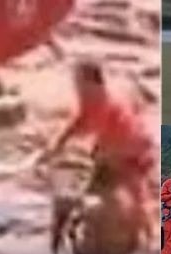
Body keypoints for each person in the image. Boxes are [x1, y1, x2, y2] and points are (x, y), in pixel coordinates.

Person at [38, 61, 156, 216]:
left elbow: (109, 134)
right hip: (119, 150)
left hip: (129, 152)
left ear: (92, 83)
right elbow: (79, 121)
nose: (76, 87)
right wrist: (59, 142)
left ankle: (142, 222)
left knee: (130, 190)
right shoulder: (91, 100)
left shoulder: (104, 102)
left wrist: (97, 154)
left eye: (79, 82)